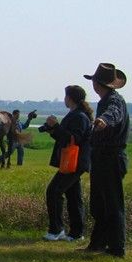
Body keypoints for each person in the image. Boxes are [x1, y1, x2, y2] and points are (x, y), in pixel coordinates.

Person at [83, 63, 129, 258]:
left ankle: (117, 248)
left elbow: (114, 114)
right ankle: (98, 244)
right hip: (102, 158)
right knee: (99, 205)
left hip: (111, 158)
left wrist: (104, 121)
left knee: (112, 204)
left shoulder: (114, 101)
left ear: (96, 83)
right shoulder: (106, 100)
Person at [39, 86, 92, 241]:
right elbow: (65, 137)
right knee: (73, 196)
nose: (64, 99)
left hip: (74, 162)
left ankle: (56, 230)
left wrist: (56, 126)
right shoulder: (75, 114)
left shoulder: (79, 117)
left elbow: (73, 139)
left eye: (65, 96)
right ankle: (76, 233)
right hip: (73, 162)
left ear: (70, 98)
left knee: (53, 191)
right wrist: (53, 130)